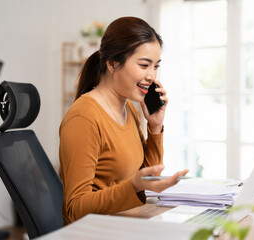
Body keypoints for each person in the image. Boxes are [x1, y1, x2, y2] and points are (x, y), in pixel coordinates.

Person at [59, 16, 188, 225]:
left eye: (156, 66)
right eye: (144, 65)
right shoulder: (83, 118)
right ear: (112, 64)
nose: (152, 76)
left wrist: (155, 127)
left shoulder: (129, 108)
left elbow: (147, 178)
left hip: (128, 223)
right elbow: (74, 208)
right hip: (96, 232)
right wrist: (133, 187)